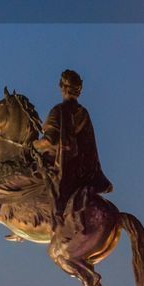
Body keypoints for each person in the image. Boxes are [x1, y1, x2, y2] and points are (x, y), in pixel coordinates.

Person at [33, 70, 113, 219]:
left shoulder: (59, 111)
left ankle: (41, 218)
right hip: (84, 172)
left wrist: (33, 145)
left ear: (62, 87)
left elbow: (50, 141)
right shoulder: (83, 112)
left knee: (31, 175)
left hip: (63, 170)